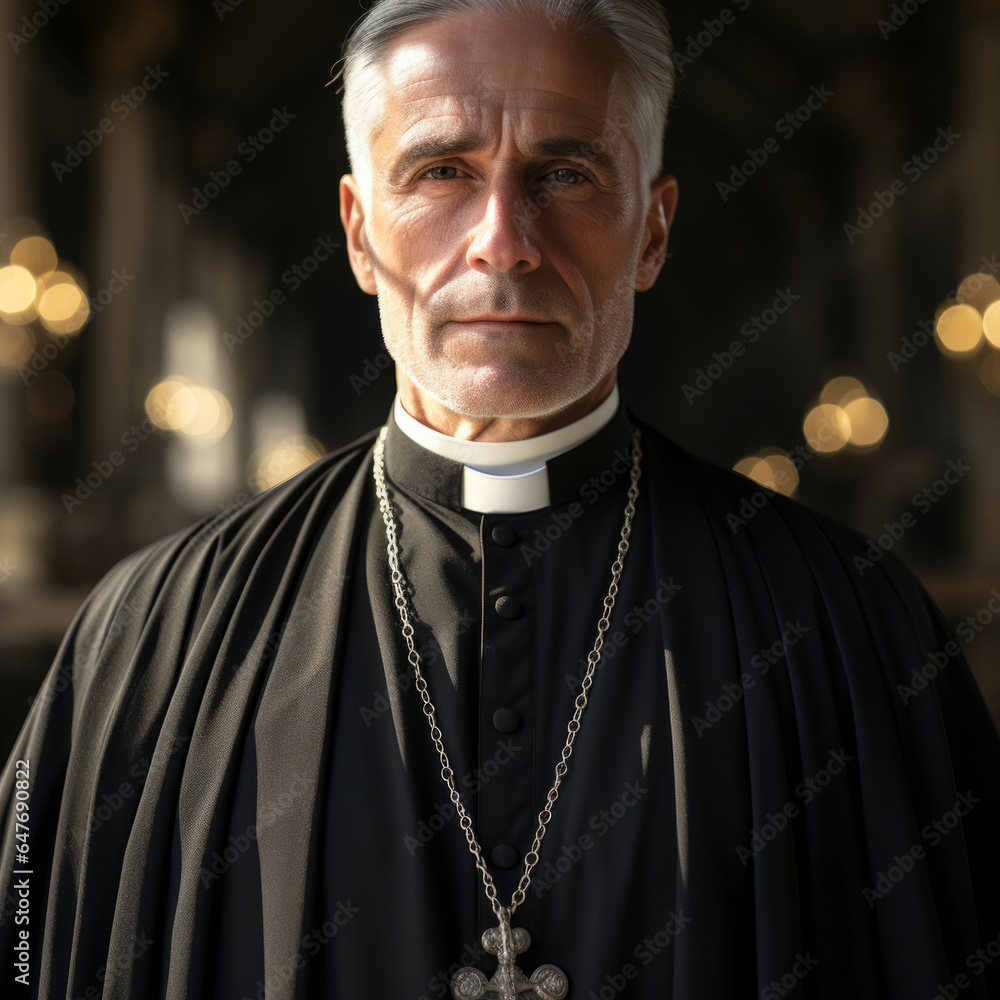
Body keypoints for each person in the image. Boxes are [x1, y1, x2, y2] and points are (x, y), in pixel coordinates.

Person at [2, 1, 999, 998]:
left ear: (650, 233)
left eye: (565, 173)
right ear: (358, 234)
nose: (503, 243)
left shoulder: (845, 624)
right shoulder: (152, 638)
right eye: (441, 172)